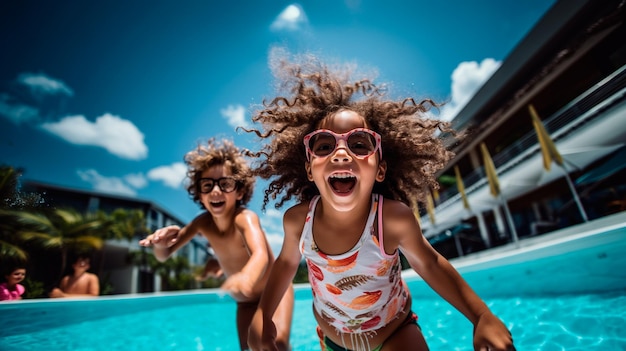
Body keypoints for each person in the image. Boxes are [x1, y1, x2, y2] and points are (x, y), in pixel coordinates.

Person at [246, 53, 515, 351]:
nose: (341, 152)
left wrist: (480, 315)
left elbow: (430, 263)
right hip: (331, 339)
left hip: (394, 332)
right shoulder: (298, 221)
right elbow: (285, 263)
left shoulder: (390, 218)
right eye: (324, 145)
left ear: (380, 169)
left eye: (359, 144)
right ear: (310, 169)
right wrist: (262, 313)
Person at [139, 138, 294, 351]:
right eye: (207, 185)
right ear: (200, 195)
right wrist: (160, 243)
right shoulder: (201, 223)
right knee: (249, 348)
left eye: (225, 183)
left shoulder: (244, 218)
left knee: (277, 343)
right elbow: (164, 255)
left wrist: (246, 276)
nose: (215, 191)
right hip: (244, 302)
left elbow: (261, 254)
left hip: (274, 292)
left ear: (239, 191)